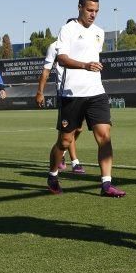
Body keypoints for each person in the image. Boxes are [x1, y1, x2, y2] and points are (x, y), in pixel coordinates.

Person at [46, 0, 126, 197]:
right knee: (64, 141)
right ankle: (53, 175)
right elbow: (62, 59)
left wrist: (92, 67)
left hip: (96, 93)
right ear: (80, 7)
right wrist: (84, 65)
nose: (93, 14)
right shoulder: (68, 29)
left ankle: (106, 184)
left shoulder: (99, 32)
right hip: (71, 94)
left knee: (105, 137)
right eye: (90, 10)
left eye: (96, 11)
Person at [36, 32, 85, 174]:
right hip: (65, 93)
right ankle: (75, 162)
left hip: (83, 92)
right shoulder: (55, 47)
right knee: (69, 130)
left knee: (78, 129)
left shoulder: (83, 44)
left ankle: (61, 155)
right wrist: (40, 92)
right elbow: (46, 71)